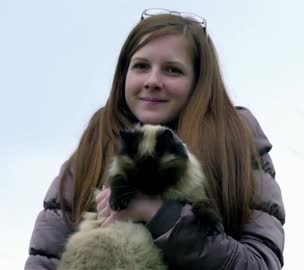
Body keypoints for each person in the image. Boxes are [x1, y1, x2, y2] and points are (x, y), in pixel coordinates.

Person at [25, 8, 285, 270]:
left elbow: (258, 264)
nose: (152, 80)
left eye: (172, 70)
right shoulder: (94, 145)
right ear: (123, 74)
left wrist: (159, 213)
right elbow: (43, 261)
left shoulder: (236, 145)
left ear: (198, 81)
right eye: (141, 66)